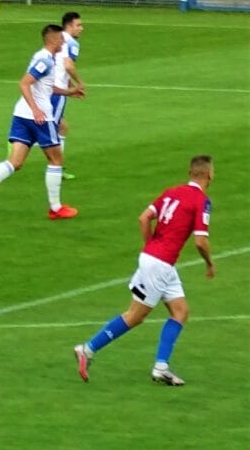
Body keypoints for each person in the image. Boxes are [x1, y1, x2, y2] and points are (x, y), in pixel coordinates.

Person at [75, 155, 216, 387]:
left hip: (158, 261)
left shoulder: (171, 192)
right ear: (209, 175)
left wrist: (150, 246)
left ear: (190, 173)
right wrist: (209, 263)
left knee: (180, 311)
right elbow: (200, 242)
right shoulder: (201, 201)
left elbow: (144, 218)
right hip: (159, 264)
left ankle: (161, 367)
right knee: (135, 316)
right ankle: (87, 350)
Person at [0, 24, 80, 221]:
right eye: (61, 39)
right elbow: (24, 83)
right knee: (56, 159)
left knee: (15, 162)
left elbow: (46, 87)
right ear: (53, 40)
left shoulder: (44, 58)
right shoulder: (45, 60)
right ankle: (55, 208)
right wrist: (36, 109)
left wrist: (69, 92)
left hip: (21, 115)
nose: (64, 42)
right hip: (39, 118)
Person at [52, 12, 85, 178]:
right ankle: (15, 143)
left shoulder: (57, 38)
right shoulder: (71, 42)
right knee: (50, 130)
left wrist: (72, 89)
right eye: (78, 25)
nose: (82, 29)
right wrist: (79, 82)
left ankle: (58, 168)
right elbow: (67, 65)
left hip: (49, 87)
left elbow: (59, 66)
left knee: (62, 128)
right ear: (69, 25)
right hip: (55, 92)